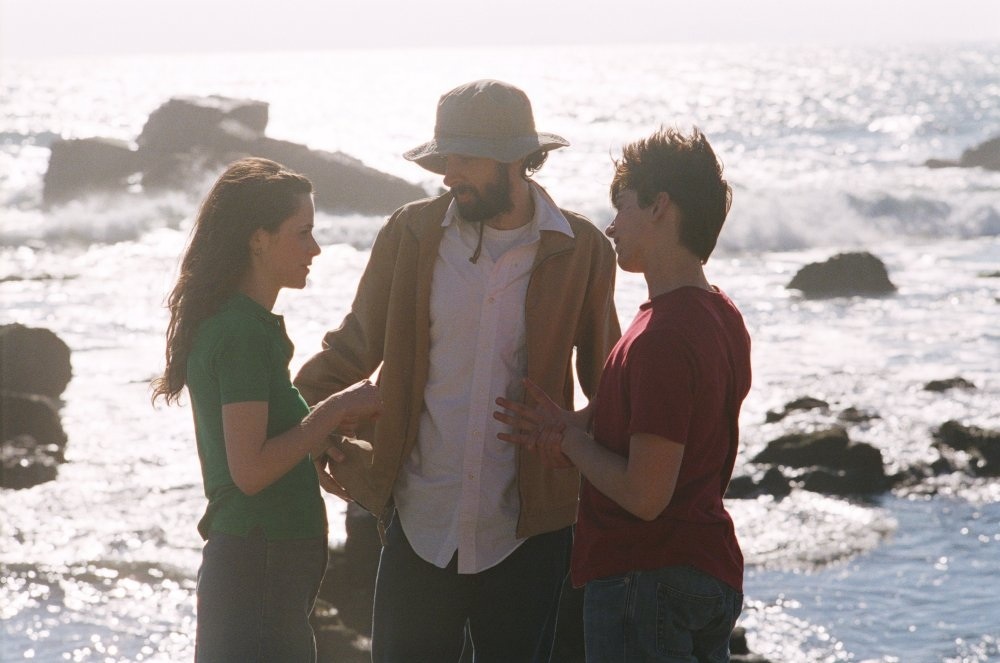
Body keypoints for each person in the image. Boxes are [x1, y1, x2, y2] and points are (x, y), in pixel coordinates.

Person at [293, 79, 621, 662]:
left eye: (464, 159)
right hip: (419, 520)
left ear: (516, 159)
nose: (448, 174)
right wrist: (301, 425)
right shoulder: (411, 233)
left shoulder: (583, 249)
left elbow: (610, 382)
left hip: (530, 532)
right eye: (445, 159)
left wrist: (586, 445)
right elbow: (355, 344)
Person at [494, 127, 751, 663]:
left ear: (660, 207)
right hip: (707, 572)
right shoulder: (719, 314)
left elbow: (645, 494)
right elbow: (675, 423)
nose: (611, 226)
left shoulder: (662, 336)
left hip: (647, 577)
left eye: (623, 206)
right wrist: (578, 423)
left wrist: (571, 444)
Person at [151, 157, 382, 663]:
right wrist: (336, 407)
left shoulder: (244, 325)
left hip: (264, 562)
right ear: (259, 239)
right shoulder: (241, 333)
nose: (315, 249)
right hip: (259, 561)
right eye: (302, 233)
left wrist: (319, 447)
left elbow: (269, 446)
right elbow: (251, 471)